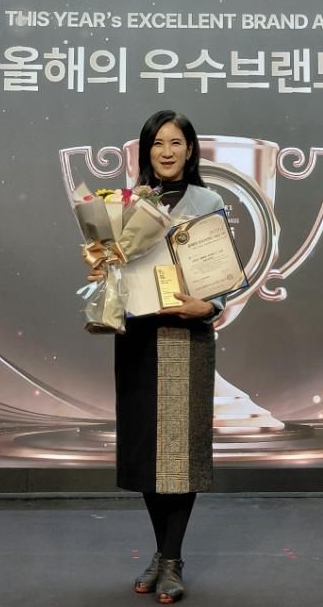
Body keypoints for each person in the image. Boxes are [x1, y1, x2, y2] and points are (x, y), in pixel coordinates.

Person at [86, 110, 225, 603]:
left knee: (180, 454)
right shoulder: (125, 204)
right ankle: (162, 553)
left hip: (186, 335)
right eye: (157, 143)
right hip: (139, 337)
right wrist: (102, 265)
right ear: (146, 151)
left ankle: (172, 559)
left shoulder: (208, 201)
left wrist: (209, 305)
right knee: (148, 452)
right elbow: (115, 269)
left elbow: (221, 271)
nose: (166, 151)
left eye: (176, 142)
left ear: (190, 150)